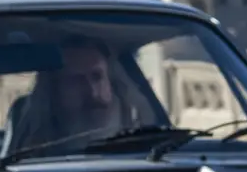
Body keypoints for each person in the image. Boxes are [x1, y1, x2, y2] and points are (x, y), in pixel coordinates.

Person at [8, 35, 148, 151]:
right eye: (75, 81)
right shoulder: (33, 161)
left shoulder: (146, 146)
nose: (92, 93)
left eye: (97, 77)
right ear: (54, 91)